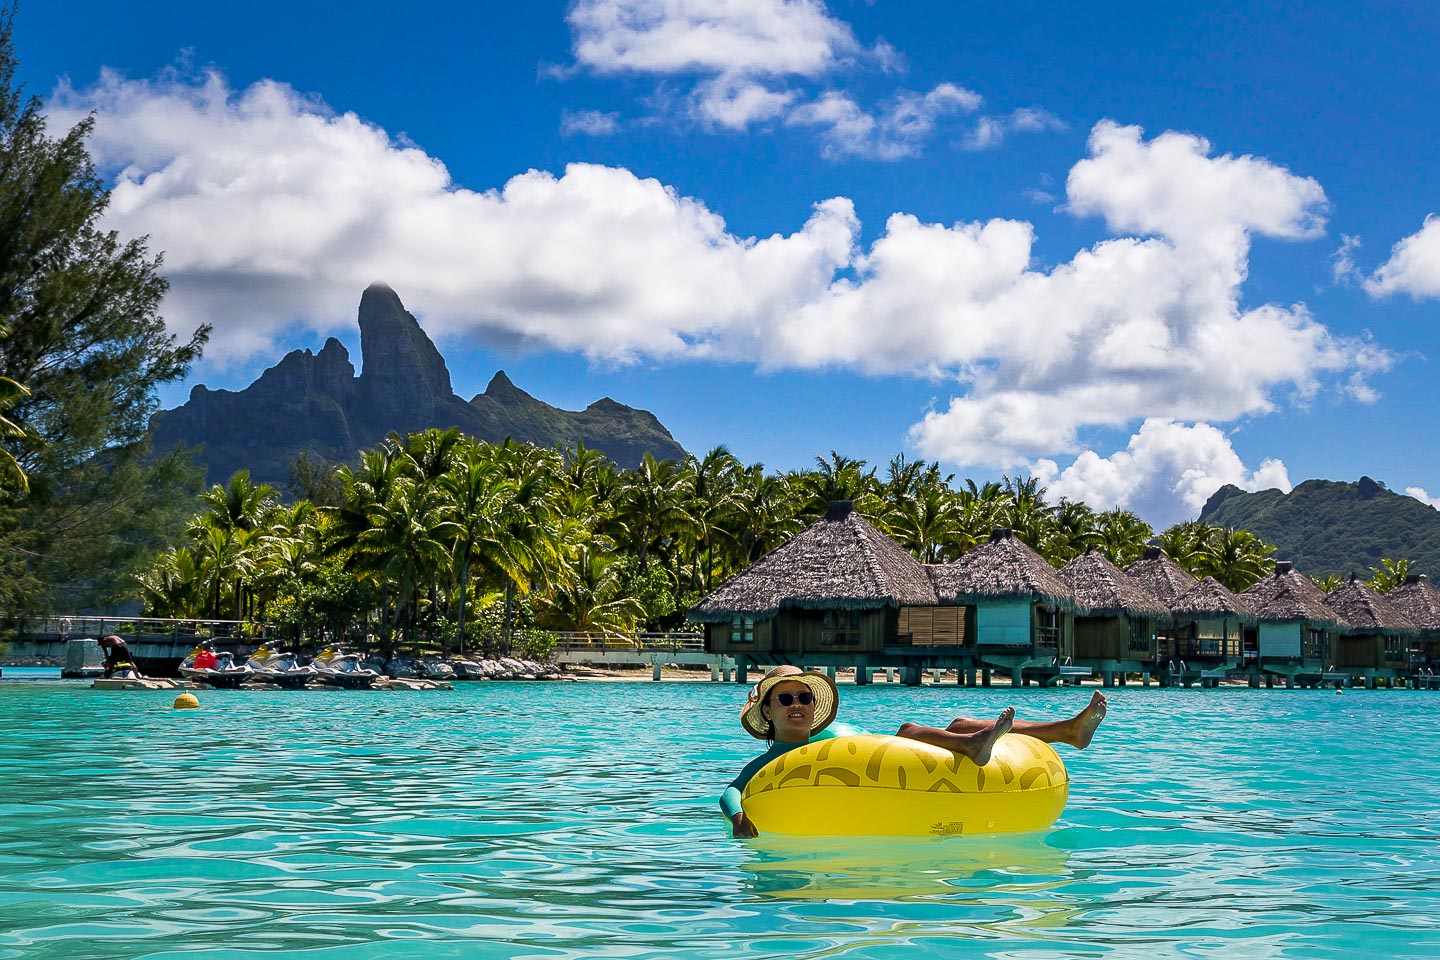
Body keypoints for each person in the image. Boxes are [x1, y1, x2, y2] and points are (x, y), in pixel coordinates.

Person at [720, 665, 1109, 838]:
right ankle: (974, 744)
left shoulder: (829, 736)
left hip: (899, 759)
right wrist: (738, 818)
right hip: (898, 764)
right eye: (785, 698)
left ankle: (1066, 731)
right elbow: (731, 790)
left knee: (958, 722)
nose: (796, 704)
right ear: (768, 711)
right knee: (909, 729)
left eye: (804, 695)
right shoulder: (773, 762)